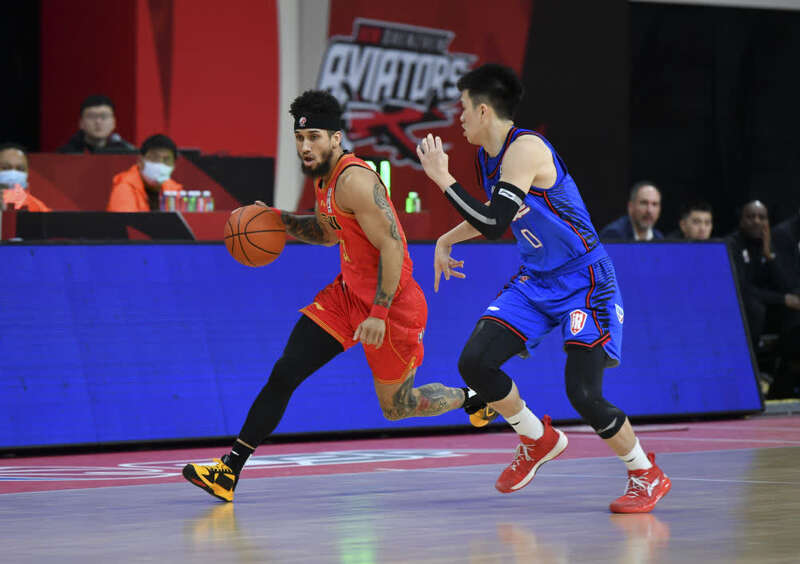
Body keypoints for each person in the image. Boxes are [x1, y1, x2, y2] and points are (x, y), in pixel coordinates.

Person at [182, 90, 489, 502]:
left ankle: (471, 397)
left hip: (392, 307)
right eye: (299, 138)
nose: (305, 146)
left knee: (398, 407)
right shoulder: (323, 178)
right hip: (346, 296)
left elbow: (393, 247)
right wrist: (279, 220)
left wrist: (378, 313)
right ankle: (228, 471)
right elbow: (328, 233)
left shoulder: (355, 180)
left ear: (336, 138)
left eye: (314, 137)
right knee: (285, 372)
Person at [416, 63, 671, 513]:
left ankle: (645, 474)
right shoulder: (488, 157)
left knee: (583, 393)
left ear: (483, 110)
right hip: (537, 280)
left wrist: (441, 178)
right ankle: (537, 439)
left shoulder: (527, 148)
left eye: (463, 108)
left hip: (585, 281)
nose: (459, 117)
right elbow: (497, 210)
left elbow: (494, 223)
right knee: (475, 362)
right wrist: (446, 239)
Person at [728, 201, 800, 397]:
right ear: (741, 220)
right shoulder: (732, 244)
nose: (756, 222)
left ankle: (783, 381)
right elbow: (742, 288)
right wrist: (781, 299)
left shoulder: (770, 243)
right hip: (744, 309)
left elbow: (786, 285)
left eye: (762, 217)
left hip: (769, 309)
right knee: (754, 308)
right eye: (751, 217)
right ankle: (749, 373)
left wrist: (770, 256)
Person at [107, 134, 183, 212]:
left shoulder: (174, 190)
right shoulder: (124, 187)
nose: (160, 163)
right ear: (140, 161)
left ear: (174, 165)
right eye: (154, 158)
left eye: (166, 159)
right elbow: (125, 219)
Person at [58, 94, 136, 154]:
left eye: (104, 116)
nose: (98, 122)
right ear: (81, 123)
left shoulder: (125, 152)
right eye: (92, 116)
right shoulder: (66, 154)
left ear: (113, 122)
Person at [0, 143, 50, 212]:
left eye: (20, 169)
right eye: (5, 168)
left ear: (27, 172)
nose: (13, 173)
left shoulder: (37, 207)